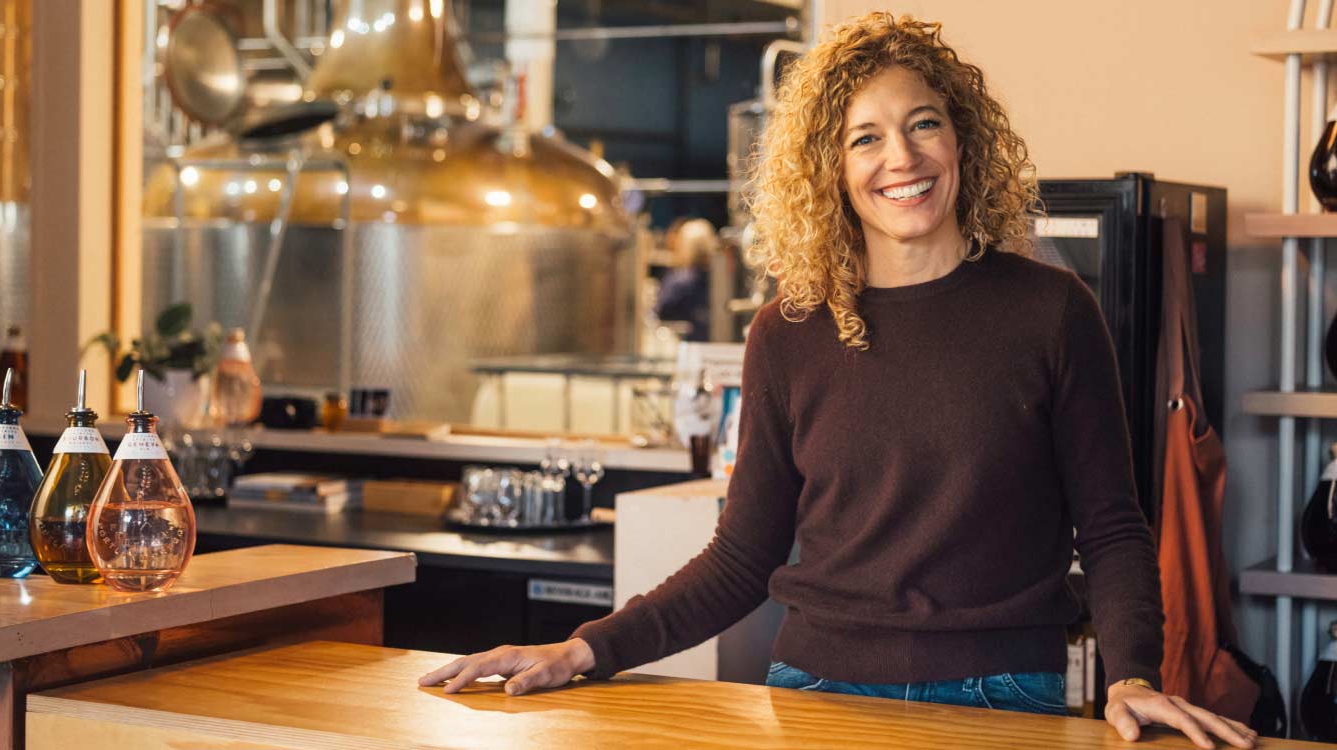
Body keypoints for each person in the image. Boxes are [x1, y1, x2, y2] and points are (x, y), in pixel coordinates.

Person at [420, 13, 1256, 749]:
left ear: (963, 139)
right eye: (866, 137)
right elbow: (743, 558)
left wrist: (1134, 676)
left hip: (1003, 698)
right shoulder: (788, 331)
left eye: (924, 124)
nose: (902, 157)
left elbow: (1111, 529)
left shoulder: (1051, 310)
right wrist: (587, 647)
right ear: (831, 169)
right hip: (817, 695)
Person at [655, 217, 718, 341]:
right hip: (714, 343)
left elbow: (660, 312)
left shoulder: (678, 281)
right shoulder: (721, 282)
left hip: (682, 346)